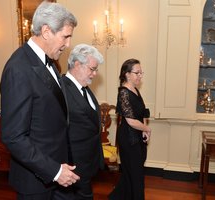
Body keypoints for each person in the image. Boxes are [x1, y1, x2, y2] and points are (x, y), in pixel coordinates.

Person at [0, 1, 80, 200]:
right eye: (65, 36)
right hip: (35, 181)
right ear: (46, 31)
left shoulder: (48, 62)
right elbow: (14, 137)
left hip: (55, 173)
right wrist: (54, 171)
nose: (68, 44)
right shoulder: (18, 68)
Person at [61, 44, 104, 200]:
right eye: (92, 69)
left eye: (95, 70)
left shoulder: (83, 87)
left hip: (87, 163)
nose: (94, 74)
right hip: (73, 165)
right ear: (77, 64)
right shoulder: (61, 88)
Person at [108, 58, 151, 200]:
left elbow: (142, 112)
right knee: (135, 173)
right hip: (128, 137)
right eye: (137, 72)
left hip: (138, 135)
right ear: (127, 74)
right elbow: (131, 120)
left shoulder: (136, 90)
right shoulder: (123, 93)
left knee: (133, 173)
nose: (140, 75)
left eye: (141, 72)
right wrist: (147, 129)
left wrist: (144, 129)